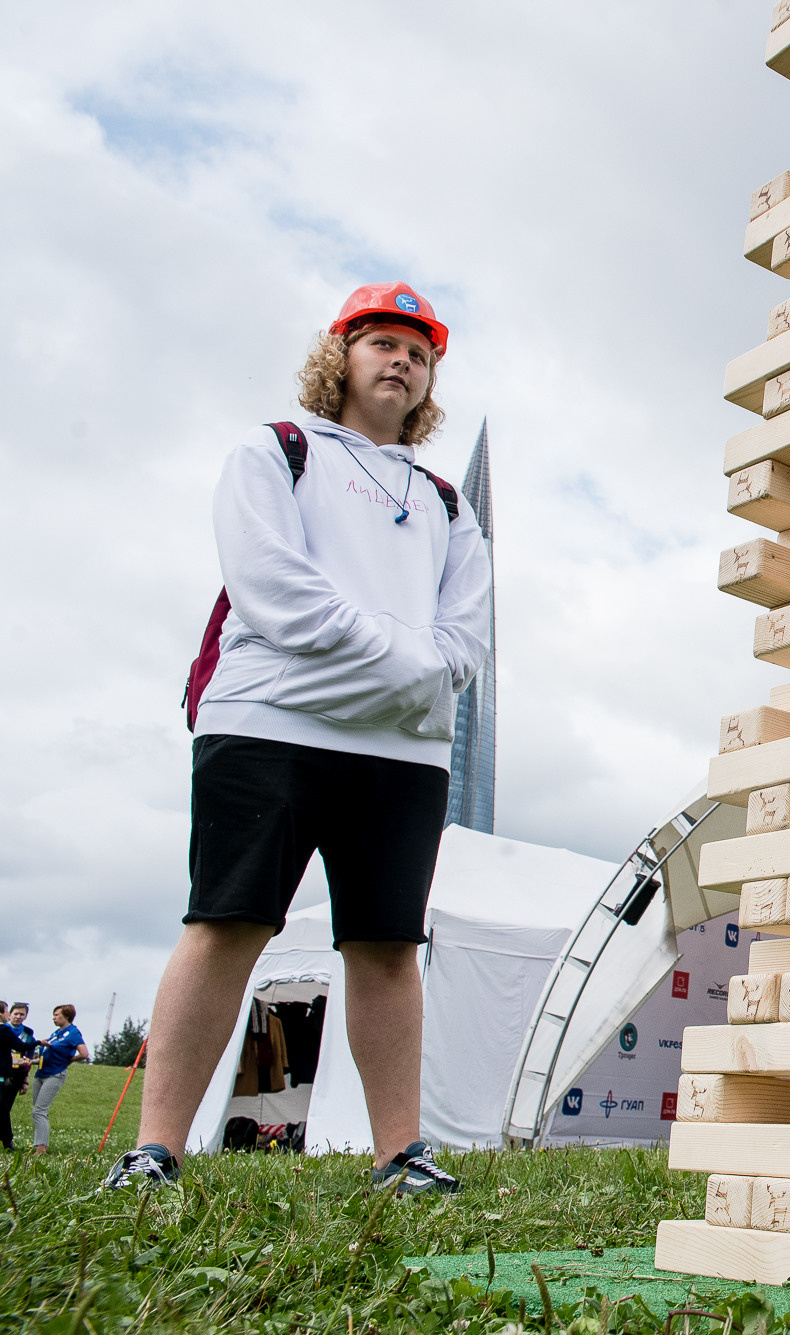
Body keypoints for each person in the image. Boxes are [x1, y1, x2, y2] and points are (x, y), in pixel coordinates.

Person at [100, 285, 492, 1196]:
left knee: (388, 944)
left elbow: (466, 642)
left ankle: (400, 1154)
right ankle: (154, 1151)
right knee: (226, 923)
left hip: (400, 753)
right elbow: (275, 591)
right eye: (383, 343)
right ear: (340, 356)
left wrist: (392, 665)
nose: (402, 362)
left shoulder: (445, 504)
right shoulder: (275, 451)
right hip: (267, 725)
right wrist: (403, 659)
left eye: (420, 354)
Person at [32, 1004, 89, 1154]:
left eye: (57, 1015)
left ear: (67, 1016)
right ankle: (37, 1144)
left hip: (55, 1074)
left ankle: (41, 1147)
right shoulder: (56, 1033)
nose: (54, 1018)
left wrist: (69, 1060)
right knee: (37, 1110)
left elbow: (84, 1053)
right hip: (41, 1073)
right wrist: (31, 1061)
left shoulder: (73, 1033)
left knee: (39, 1110)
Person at [0, 1003, 24, 1151]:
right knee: (2, 1109)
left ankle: (7, 1141)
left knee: (4, 1109)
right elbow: (22, 1047)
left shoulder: (27, 1033)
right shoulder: (4, 1030)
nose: (16, 1016)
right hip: (3, 1075)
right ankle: (7, 1141)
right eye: (13, 1013)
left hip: (12, 1076)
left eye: (22, 1014)